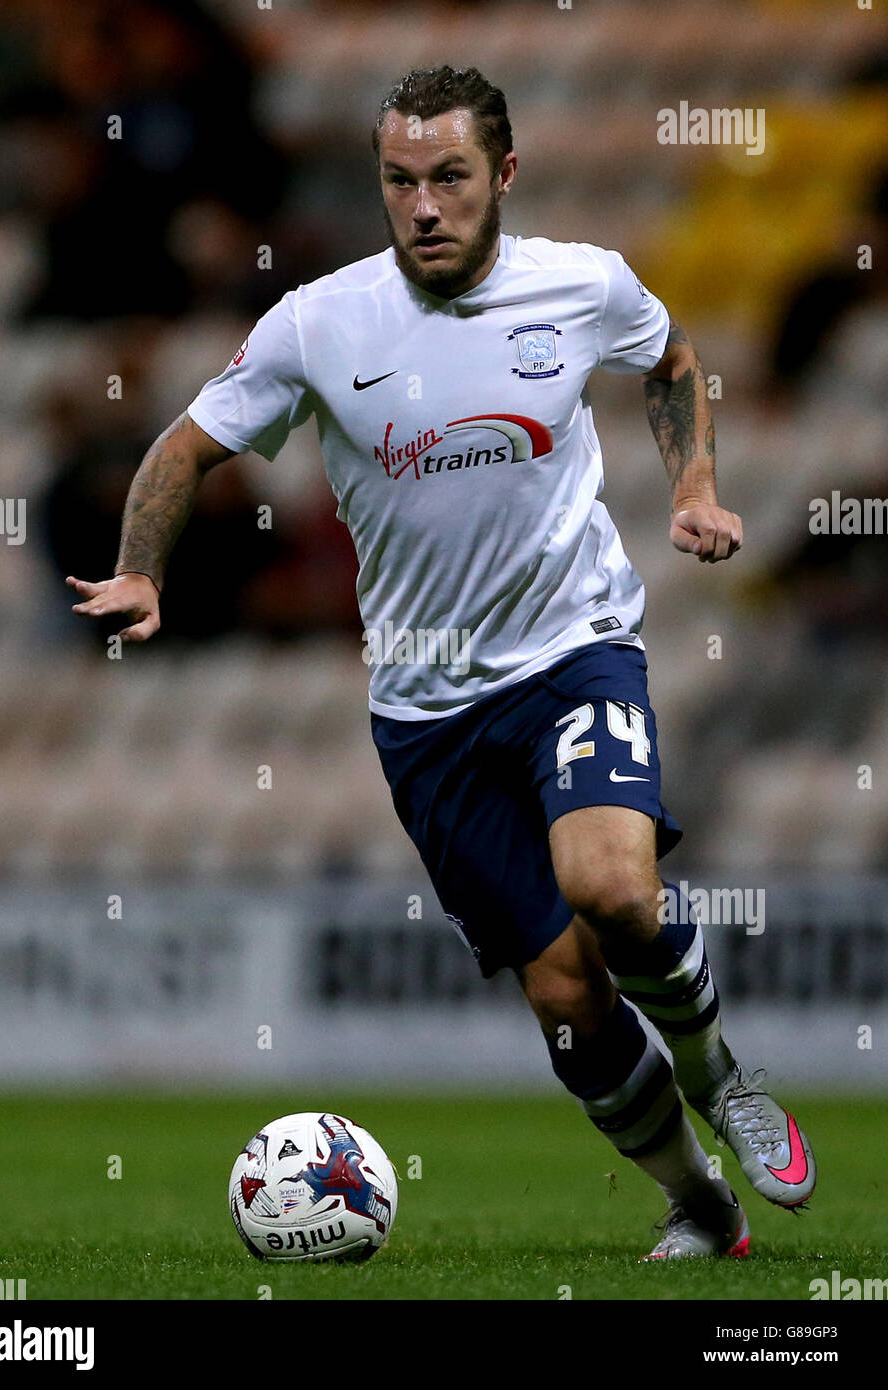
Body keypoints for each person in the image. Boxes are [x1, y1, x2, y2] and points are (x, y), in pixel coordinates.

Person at [68, 65, 815, 1259]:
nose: (423, 205)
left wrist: (695, 486)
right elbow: (180, 449)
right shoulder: (319, 322)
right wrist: (143, 566)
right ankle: (699, 1200)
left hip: (575, 651)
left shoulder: (581, 284)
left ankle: (723, 1074)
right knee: (566, 994)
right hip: (427, 714)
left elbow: (670, 359)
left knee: (615, 889)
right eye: (400, 181)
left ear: (502, 176)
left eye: (450, 177)